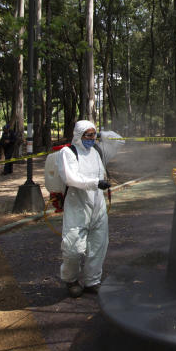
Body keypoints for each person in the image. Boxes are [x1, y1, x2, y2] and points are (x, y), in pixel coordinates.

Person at [60, 120, 111, 298]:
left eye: (94, 135)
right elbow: (71, 179)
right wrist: (95, 183)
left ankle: (92, 281)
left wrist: (105, 135)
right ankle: (71, 280)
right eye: (88, 135)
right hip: (77, 207)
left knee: (98, 246)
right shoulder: (68, 152)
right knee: (73, 248)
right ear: (78, 135)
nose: (91, 138)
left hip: (98, 206)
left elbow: (119, 141)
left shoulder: (96, 152)